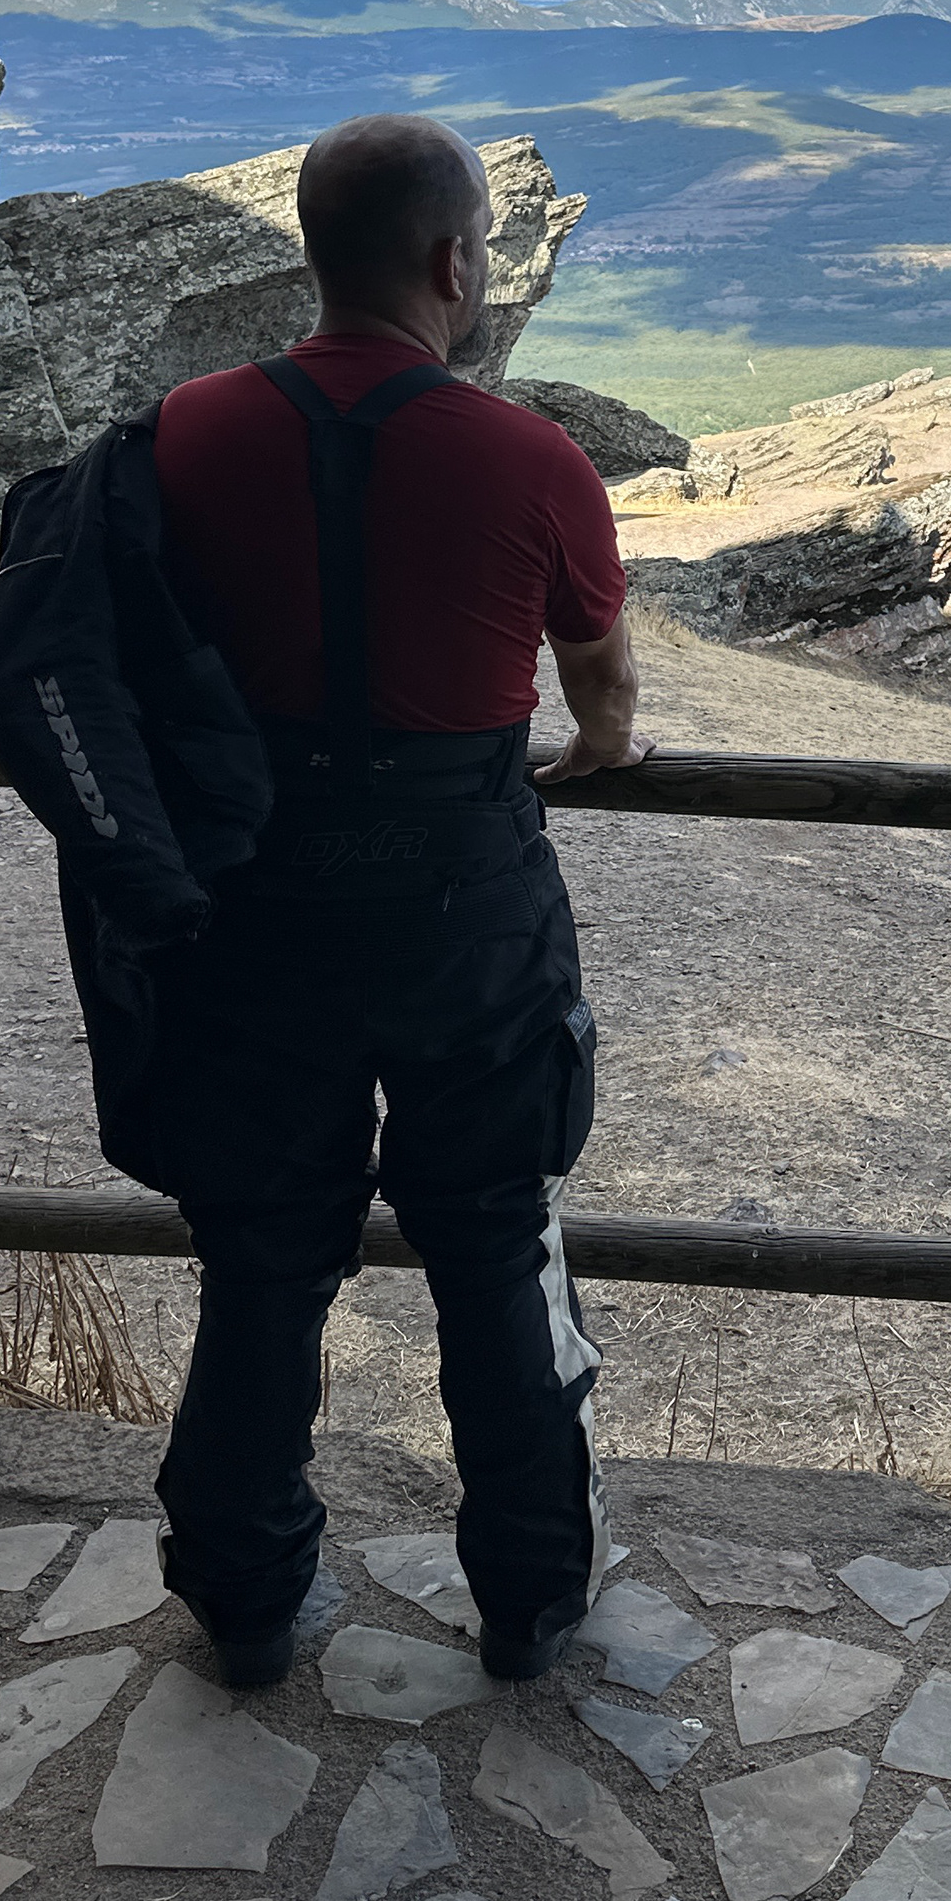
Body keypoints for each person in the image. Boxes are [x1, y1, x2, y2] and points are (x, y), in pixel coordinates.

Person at [139, 111, 649, 1688]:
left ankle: (239, 1597)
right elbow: (604, 694)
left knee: (267, 1253)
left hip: (257, 902)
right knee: (494, 1237)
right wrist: (600, 751)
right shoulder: (532, 455)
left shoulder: (187, 434)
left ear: (312, 252)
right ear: (451, 260)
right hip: (464, 899)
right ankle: (529, 1596)